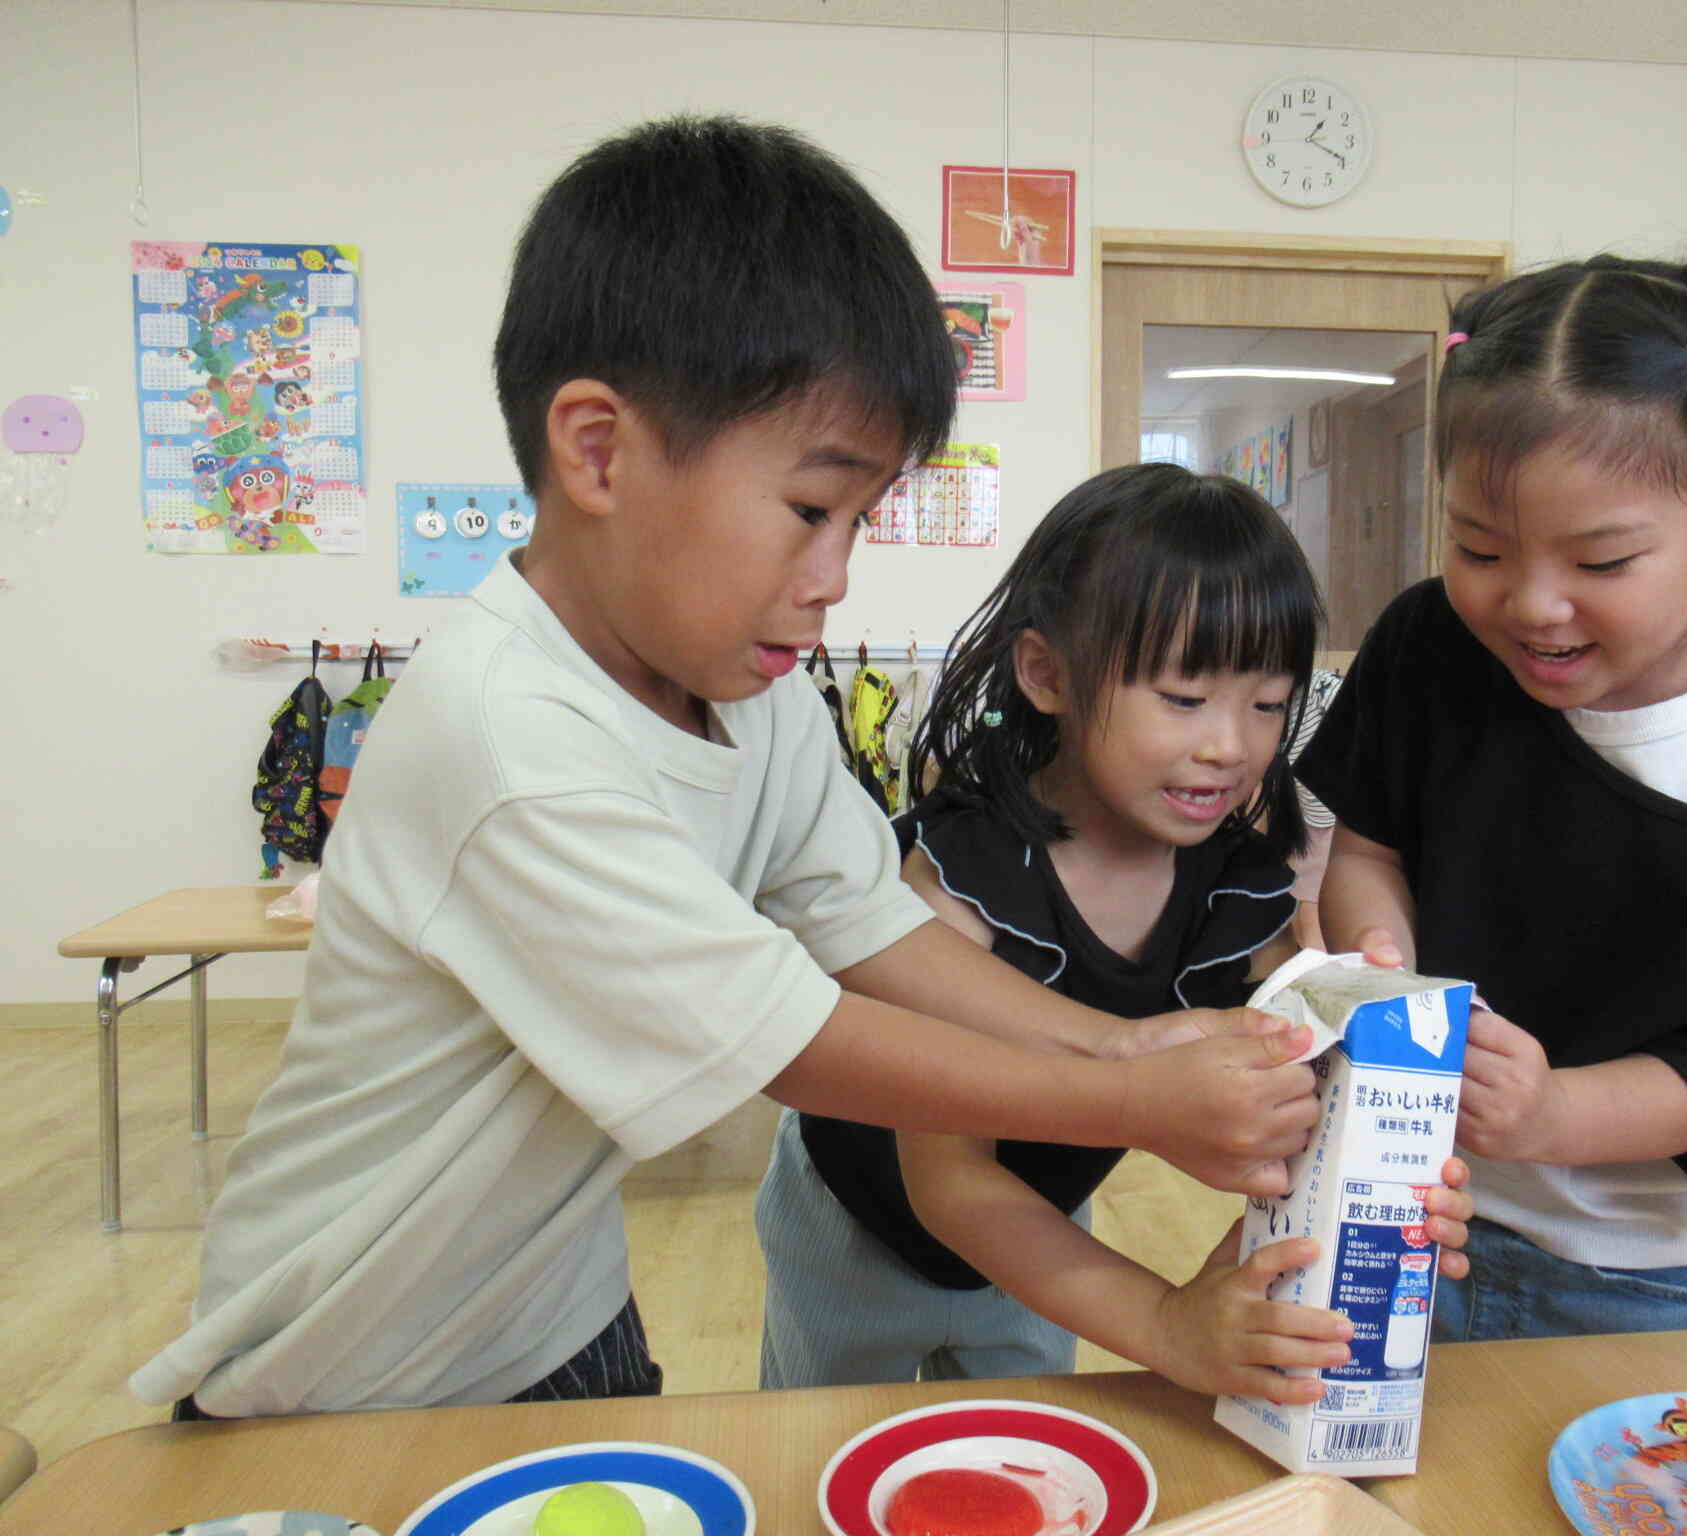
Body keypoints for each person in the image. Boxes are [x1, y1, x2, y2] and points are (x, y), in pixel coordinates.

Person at [131, 117, 1324, 1422]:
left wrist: (1129, 1046)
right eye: (811, 510)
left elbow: (864, 927)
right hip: (348, 1358)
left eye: (861, 522)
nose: (835, 577)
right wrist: (1138, 1100)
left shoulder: (751, 696)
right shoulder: (507, 736)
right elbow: (793, 1039)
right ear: (598, 451)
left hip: (558, 1299)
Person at [756, 463, 1473, 1401]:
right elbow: (949, 1186)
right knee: (829, 1452)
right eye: (1183, 698)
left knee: (1026, 1445)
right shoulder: (961, 881)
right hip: (858, 1227)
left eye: (1267, 704)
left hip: (1046, 1224)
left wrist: (1381, 1166)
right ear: (1048, 673)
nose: (1230, 745)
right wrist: (1167, 1323)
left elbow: (1302, 1114)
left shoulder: (1236, 890)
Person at [1298, 255, 1687, 1343]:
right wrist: (1389, 983)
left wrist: (1556, 1112)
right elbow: (1368, 850)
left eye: (1604, 559)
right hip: (1433, 1215)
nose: (1530, 605)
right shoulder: (1432, 644)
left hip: (1666, 1282)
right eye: (1477, 545)